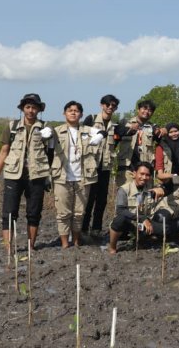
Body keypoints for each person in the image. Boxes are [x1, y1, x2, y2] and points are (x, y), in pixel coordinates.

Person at [0, 93, 53, 251]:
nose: (31, 110)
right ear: (22, 108)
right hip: (13, 175)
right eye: (28, 107)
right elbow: (4, 151)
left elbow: (51, 153)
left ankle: (30, 247)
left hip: (37, 176)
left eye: (34, 107)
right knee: (9, 213)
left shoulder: (46, 127)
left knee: (34, 212)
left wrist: (49, 176)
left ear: (39, 109)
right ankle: (8, 249)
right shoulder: (11, 127)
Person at [51, 101, 99, 248]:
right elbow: (45, 146)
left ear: (81, 114)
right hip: (62, 177)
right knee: (63, 213)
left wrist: (99, 135)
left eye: (76, 111)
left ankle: (76, 240)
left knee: (79, 213)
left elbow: (102, 132)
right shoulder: (56, 131)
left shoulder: (88, 130)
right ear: (64, 113)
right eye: (70, 110)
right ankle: (65, 243)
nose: (73, 113)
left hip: (83, 177)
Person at [107, 162, 167, 254]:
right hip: (127, 224)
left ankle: (139, 241)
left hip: (141, 224)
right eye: (141, 174)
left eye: (147, 175)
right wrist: (141, 218)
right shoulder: (124, 189)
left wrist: (162, 189)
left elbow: (168, 190)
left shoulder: (150, 189)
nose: (144, 177)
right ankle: (112, 247)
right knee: (119, 220)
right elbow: (120, 210)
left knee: (165, 229)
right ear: (134, 174)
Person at [82, 94, 119, 237]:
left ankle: (96, 229)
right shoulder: (90, 119)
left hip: (105, 167)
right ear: (101, 105)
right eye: (107, 104)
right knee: (88, 199)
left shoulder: (114, 126)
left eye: (113, 105)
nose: (110, 107)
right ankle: (83, 229)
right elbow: (83, 140)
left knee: (102, 199)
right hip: (91, 166)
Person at [114, 99, 165, 187]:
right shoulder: (124, 123)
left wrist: (165, 129)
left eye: (150, 110)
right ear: (138, 109)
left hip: (145, 170)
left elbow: (163, 142)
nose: (147, 112)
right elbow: (113, 140)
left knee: (144, 198)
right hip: (127, 168)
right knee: (125, 196)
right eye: (144, 108)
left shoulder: (153, 127)